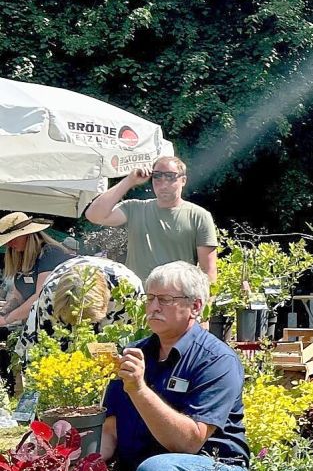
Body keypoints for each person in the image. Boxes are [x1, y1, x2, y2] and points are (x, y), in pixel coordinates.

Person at [102, 261, 248, 471]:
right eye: (150, 298)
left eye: (166, 300)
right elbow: (110, 432)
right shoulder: (135, 353)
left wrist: (139, 389)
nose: (154, 307)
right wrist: (66, 460)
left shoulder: (216, 360)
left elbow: (188, 443)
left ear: (195, 306)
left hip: (212, 470)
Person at [85, 156, 219, 282]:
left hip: (175, 300)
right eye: (157, 177)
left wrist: (205, 304)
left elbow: (208, 270)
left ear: (183, 180)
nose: (163, 184)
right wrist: (129, 180)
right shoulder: (134, 208)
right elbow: (94, 215)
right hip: (136, 300)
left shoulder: (199, 216)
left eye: (170, 177)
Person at [14, 256, 144, 361]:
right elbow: (43, 347)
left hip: (113, 302)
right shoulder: (50, 295)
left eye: (87, 321)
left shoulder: (128, 291)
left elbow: (132, 339)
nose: (81, 326)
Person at [0, 213, 74, 395]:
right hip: (34, 323)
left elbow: (39, 297)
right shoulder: (19, 256)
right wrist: (5, 311)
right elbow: (17, 295)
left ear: (28, 234)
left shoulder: (50, 253)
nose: (10, 244)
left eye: (13, 239)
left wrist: (7, 319)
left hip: (56, 322)